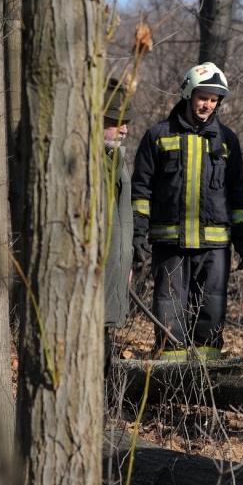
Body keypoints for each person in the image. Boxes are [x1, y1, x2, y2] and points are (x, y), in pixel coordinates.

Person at [130, 62, 243, 362]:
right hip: (169, 243)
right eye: (203, 97)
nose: (208, 104)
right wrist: (136, 235)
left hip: (215, 247)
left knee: (211, 311)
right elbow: (141, 190)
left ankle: (205, 380)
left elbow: (237, 194)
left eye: (214, 99)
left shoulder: (228, 140)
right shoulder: (157, 135)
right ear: (188, 93)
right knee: (168, 308)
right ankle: (170, 380)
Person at [102, 78, 137, 379]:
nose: (125, 129)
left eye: (126, 122)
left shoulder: (116, 159)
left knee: (103, 354)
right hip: (91, 286)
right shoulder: (86, 162)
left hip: (114, 274)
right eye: (117, 122)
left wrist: (126, 261)